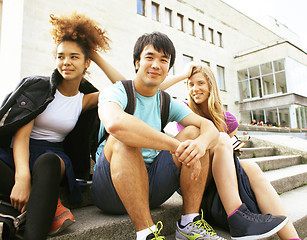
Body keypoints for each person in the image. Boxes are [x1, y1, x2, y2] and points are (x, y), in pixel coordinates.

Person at [90, 31, 288, 240]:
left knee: (195, 133)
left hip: (151, 186)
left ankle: (189, 224)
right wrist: (175, 146)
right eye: (150, 57)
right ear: (137, 62)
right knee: (124, 139)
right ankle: (146, 234)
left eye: (163, 60)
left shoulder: (165, 101)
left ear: (168, 70)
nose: (156, 65)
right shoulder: (115, 91)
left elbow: (208, 126)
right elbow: (116, 124)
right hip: (110, 188)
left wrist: (201, 144)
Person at [0, 12, 119, 240]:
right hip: (19, 153)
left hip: (52, 158)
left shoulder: (84, 100)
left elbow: (123, 87)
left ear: (86, 63)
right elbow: (21, 137)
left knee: (47, 163)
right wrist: (22, 178)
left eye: (74, 57)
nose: (66, 62)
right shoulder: (40, 89)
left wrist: (94, 53)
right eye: (60, 56)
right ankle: (45, 203)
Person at [160, 62, 301, 240]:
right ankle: (237, 215)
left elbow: (229, 158)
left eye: (200, 83)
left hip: (220, 179)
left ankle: (291, 238)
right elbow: (153, 91)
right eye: (191, 84)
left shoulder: (228, 119)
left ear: (211, 84)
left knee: (252, 167)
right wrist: (182, 74)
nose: (195, 89)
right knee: (220, 138)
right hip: (194, 176)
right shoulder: (184, 109)